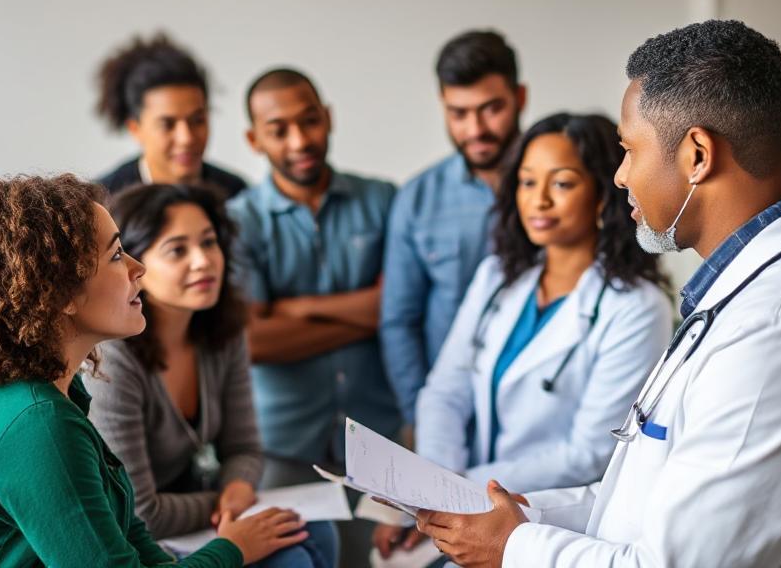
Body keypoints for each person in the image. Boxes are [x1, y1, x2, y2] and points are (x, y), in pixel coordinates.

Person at [415, 20, 781, 568]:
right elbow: (640, 503)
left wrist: (513, 547)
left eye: (629, 150)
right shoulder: (748, 295)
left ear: (697, 155)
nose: (620, 176)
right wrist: (525, 514)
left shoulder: (779, 332)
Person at [0, 175, 307, 567]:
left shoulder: (47, 397)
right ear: (61, 293)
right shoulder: (36, 423)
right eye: (115, 255)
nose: (137, 267)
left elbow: (130, 537)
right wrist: (231, 549)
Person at [373, 113, 673, 560]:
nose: (540, 201)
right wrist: (433, 488)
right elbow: (444, 391)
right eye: (528, 183)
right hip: (467, 496)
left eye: (563, 184)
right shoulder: (498, 277)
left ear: (600, 197)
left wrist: (459, 491)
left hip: (550, 525)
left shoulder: (636, 307)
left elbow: (588, 452)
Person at [84, 184, 337, 567]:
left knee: (316, 531)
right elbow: (139, 512)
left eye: (209, 242)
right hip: (136, 534)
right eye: (178, 250)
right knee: (292, 559)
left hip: (197, 512)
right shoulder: (114, 359)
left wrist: (238, 486)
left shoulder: (222, 332)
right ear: (135, 264)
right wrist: (221, 504)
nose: (204, 261)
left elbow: (246, 448)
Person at [228, 68, 401, 567]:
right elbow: (255, 340)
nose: (300, 140)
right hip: (281, 444)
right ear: (254, 139)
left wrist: (298, 309)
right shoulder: (239, 221)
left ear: (328, 118)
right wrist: (364, 312)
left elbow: (393, 309)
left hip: (378, 438)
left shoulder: (383, 201)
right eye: (279, 129)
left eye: (310, 121)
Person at [381, 30, 526, 438]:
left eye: (491, 109)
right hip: (449, 417)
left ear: (521, 97)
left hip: (542, 417)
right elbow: (399, 321)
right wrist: (421, 417)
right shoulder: (417, 198)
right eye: (458, 113)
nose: (475, 129)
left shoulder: (567, 183)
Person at [95, 32, 246, 198]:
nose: (186, 138)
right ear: (135, 129)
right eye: (167, 124)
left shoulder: (235, 194)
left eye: (197, 120)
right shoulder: (104, 202)